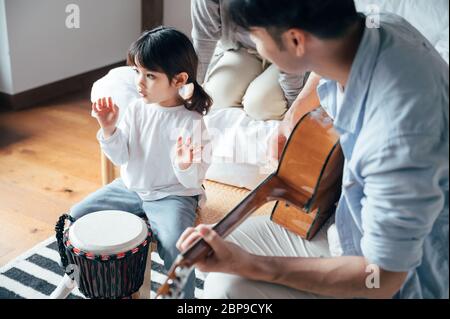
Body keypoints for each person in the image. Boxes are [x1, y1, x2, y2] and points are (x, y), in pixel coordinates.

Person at [178, 0, 449, 299]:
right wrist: (295, 114)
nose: (255, 45)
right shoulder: (375, 25)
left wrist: (255, 265)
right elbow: (324, 65)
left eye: (256, 36)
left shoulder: (396, 136)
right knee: (218, 259)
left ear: (296, 40)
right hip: (346, 219)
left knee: (224, 288)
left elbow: (382, 278)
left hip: (401, 281)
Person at [70, 26, 212, 299]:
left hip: (172, 195)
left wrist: (184, 166)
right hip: (130, 187)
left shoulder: (191, 122)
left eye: (149, 75)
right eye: (136, 72)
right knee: (76, 215)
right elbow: (121, 156)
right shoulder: (136, 108)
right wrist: (109, 129)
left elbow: (193, 181)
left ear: (179, 79)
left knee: (178, 246)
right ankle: (107, 284)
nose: (139, 82)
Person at [191, 0, 307, 121]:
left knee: (260, 106)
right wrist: (195, 86)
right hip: (242, 49)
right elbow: (203, 39)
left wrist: (296, 103)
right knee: (215, 97)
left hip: (290, 54)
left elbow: (290, 48)